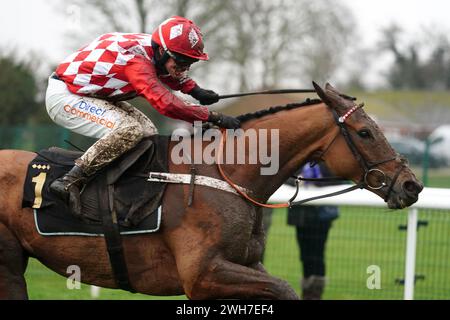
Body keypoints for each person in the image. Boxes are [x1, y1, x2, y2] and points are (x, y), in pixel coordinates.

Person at [45, 16, 240, 216]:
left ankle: (123, 188)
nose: (185, 67)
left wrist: (195, 90)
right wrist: (212, 117)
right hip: (66, 97)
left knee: (149, 135)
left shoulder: (154, 49)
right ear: (163, 51)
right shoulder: (136, 59)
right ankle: (69, 181)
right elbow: (165, 103)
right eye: (182, 60)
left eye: (191, 62)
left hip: (92, 94)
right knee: (129, 130)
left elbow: (168, 73)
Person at [287, 162, 340, 300]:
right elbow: (286, 178)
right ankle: (308, 291)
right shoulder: (298, 158)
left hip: (321, 214)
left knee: (317, 254)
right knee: (305, 255)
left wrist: (317, 182)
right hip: (301, 214)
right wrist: (299, 181)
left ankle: (314, 293)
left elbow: (336, 179)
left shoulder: (327, 161)